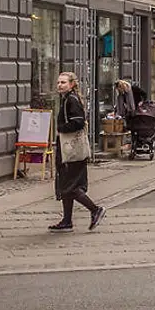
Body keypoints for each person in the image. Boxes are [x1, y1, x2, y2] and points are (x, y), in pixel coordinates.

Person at [50, 72, 105, 232]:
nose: (60, 85)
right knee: (66, 186)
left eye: (64, 82)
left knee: (70, 187)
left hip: (71, 151)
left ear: (72, 84)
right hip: (69, 150)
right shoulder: (68, 99)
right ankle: (67, 221)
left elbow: (78, 122)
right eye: (59, 82)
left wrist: (60, 128)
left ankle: (95, 210)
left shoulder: (71, 100)